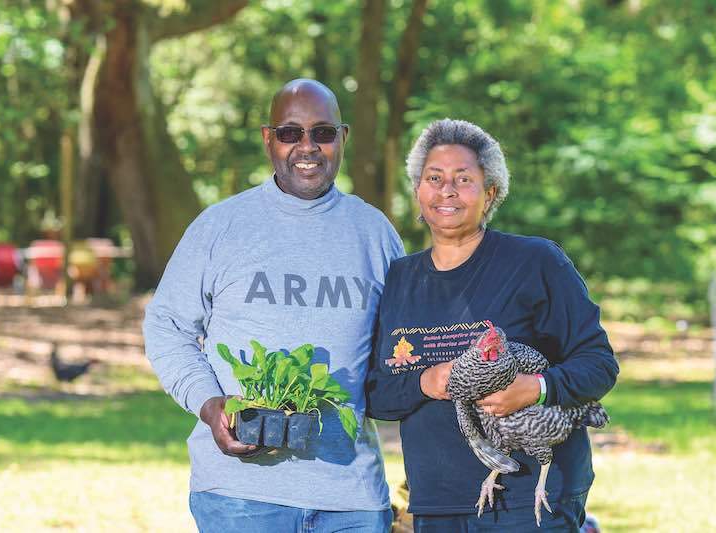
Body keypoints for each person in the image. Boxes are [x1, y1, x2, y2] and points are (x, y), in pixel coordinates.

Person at [143, 79, 404, 533]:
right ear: (269, 139)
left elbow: (405, 348)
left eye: (322, 133)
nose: (308, 147)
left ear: (343, 137)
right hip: (239, 498)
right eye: (290, 133)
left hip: (352, 499)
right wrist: (210, 405)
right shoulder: (221, 226)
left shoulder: (374, 233)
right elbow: (167, 327)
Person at [366, 119, 618, 532]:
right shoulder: (398, 279)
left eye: (463, 179)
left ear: (490, 193)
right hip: (435, 501)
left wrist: (536, 389)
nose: (447, 189)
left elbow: (599, 364)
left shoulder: (536, 262)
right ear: (417, 190)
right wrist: (427, 381)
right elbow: (376, 394)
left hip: (531, 501)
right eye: (434, 177)